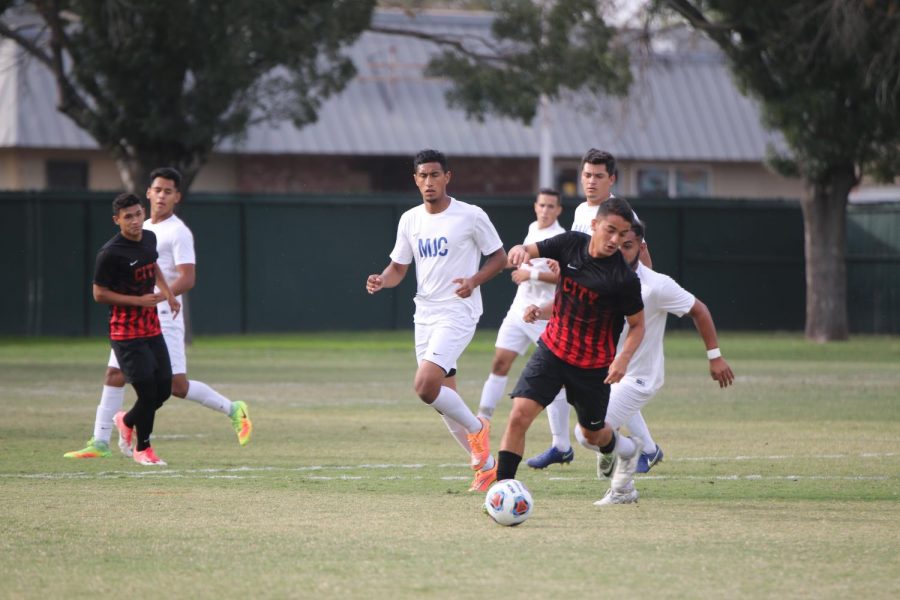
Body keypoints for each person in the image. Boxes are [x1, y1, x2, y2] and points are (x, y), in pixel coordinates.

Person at [65, 168, 252, 460]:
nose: (162, 195)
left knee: (175, 386)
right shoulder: (142, 227)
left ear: (177, 197)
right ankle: (100, 441)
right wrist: (141, 300)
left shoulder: (178, 232)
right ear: (148, 193)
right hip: (134, 317)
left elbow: (187, 278)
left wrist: (163, 297)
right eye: (157, 189)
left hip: (162, 316)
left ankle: (233, 409)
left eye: (168, 191)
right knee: (114, 374)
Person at [366, 149, 507, 492]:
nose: (429, 182)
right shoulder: (410, 220)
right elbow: (399, 268)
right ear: (415, 180)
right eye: (422, 176)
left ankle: (478, 429)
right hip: (425, 315)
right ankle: (486, 468)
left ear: (447, 177)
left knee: (425, 386)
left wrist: (473, 280)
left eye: (434, 175)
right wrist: (383, 279)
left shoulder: (471, 215)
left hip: (458, 311)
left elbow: (500, 258)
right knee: (444, 400)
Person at [495, 196, 646, 501]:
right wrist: (519, 249)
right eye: (610, 230)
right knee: (519, 415)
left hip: (592, 367)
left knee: (591, 435)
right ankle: (500, 491)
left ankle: (627, 448)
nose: (615, 240)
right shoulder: (570, 244)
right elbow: (531, 250)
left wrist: (623, 359)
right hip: (552, 351)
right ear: (594, 225)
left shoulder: (623, 279)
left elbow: (638, 325)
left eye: (622, 234)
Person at [526, 148, 658, 470]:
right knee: (601, 382)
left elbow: (643, 264)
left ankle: (636, 447)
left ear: (611, 179)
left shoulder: (623, 215)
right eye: (587, 175)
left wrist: (640, 302)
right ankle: (643, 448)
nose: (591, 181)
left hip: (614, 310)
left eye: (599, 176)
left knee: (608, 380)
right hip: (580, 310)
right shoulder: (583, 213)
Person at [592, 220, 735, 505]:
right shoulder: (603, 277)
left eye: (629, 246)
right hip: (609, 373)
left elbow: (700, 310)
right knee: (595, 430)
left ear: (641, 248)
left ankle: (631, 453)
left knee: (592, 432)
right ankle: (625, 483)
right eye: (617, 245)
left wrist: (715, 357)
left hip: (640, 378)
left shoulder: (656, 286)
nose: (621, 251)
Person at [92, 193, 179, 465]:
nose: (135, 221)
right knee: (148, 392)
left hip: (151, 326)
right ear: (117, 220)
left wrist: (169, 293)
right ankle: (143, 448)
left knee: (164, 388)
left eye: (138, 214)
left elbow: (152, 266)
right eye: (128, 217)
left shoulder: (150, 237)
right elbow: (99, 294)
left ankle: (126, 420)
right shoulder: (109, 253)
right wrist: (138, 301)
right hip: (125, 333)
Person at [476, 189, 566, 430]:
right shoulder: (533, 228)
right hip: (519, 311)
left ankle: (564, 439)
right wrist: (483, 269)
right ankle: (482, 420)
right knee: (500, 363)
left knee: (559, 377)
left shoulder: (561, 237)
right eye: (542, 205)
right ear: (535, 206)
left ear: (559, 210)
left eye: (551, 206)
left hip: (544, 315)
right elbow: (516, 261)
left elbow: (567, 279)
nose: (545, 210)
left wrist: (532, 274)